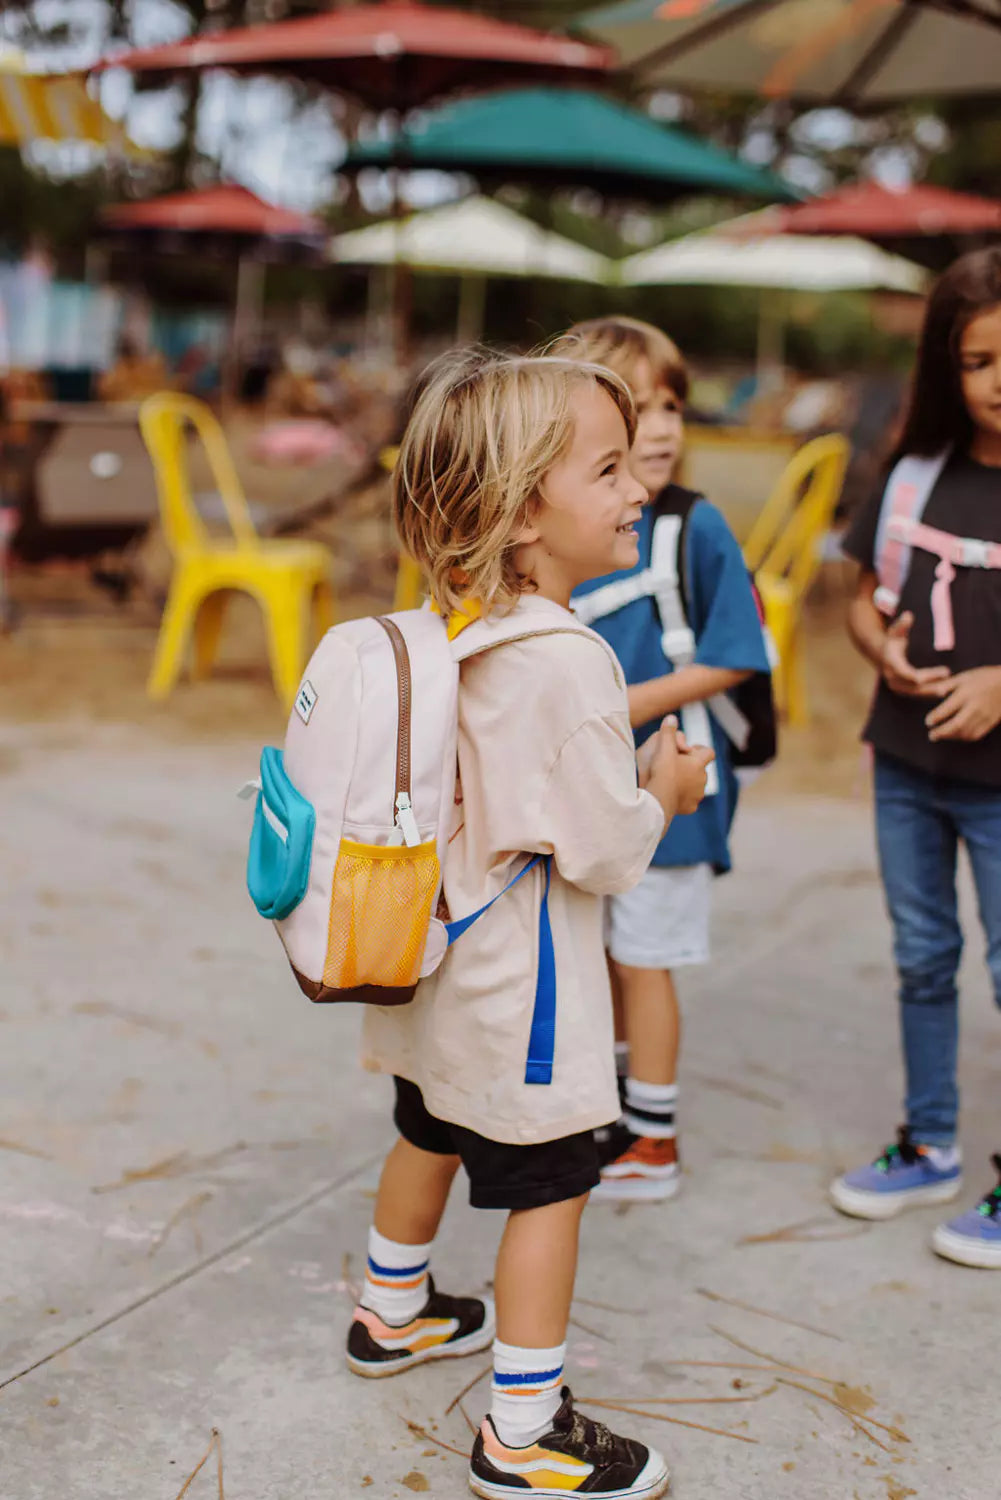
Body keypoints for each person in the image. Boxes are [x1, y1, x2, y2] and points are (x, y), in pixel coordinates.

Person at [347, 349, 713, 1498]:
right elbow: (604, 853)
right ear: (518, 514)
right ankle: (522, 1432)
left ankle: (390, 1310)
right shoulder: (567, 660)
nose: (635, 490)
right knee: (549, 1189)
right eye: (606, 469)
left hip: (433, 974)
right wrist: (667, 791)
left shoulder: (441, 626)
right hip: (527, 1002)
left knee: (427, 1131)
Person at [553, 317, 771, 1202]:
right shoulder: (570, 526)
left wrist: (617, 709)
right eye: (637, 407)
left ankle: (651, 1138)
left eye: (672, 404)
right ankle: (609, 1107)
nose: (665, 425)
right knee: (602, 945)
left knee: (646, 955)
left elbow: (736, 653)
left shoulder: (694, 526)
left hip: (673, 776)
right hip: (592, 783)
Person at [830, 247, 1001, 1270]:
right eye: (979, 361)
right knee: (921, 957)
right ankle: (926, 1142)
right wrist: (878, 651)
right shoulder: (911, 474)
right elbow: (860, 596)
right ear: (948, 367)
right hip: (903, 765)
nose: (999, 382)